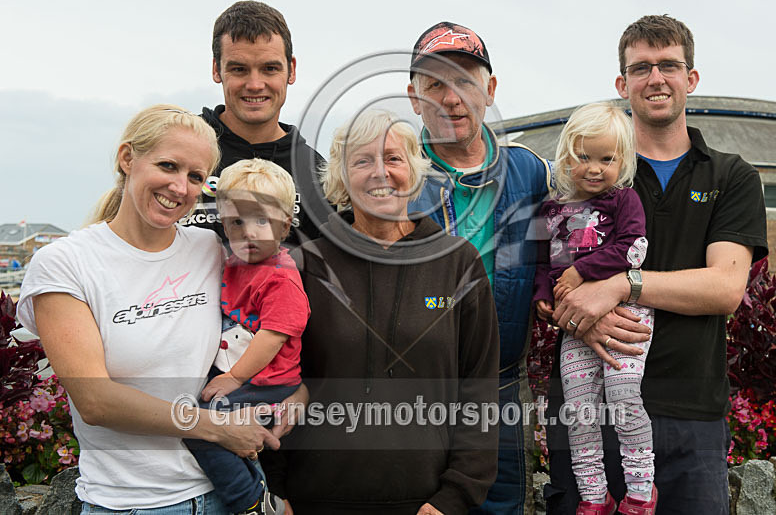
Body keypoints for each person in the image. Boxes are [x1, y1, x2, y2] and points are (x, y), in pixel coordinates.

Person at [406, 22, 651, 515]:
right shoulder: (396, 173)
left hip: (500, 380)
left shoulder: (530, 171)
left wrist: (589, 308)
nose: (452, 97)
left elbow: (567, 256)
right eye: (435, 83)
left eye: (467, 81)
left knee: (501, 504)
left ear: (490, 90)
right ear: (413, 97)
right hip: (415, 385)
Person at [545, 15, 768, 514]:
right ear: (622, 84)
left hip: (692, 416)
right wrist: (579, 313)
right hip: (591, 409)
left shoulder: (731, 176)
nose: (656, 77)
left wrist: (622, 285)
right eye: (641, 67)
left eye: (669, 64)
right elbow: (548, 282)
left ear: (691, 78)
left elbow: (725, 287)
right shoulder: (587, 175)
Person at [16, 105, 288, 513]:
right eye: (168, 166)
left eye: (196, 176)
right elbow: (95, 400)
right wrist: (217, 429)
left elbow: (271, 323)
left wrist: (294, 391)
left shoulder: (210, 249)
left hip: (229, 493)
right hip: (133, 503)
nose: (180, 187)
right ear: (128, 158)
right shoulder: (65, 263)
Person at [269, 109, 499, 514]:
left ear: (414, 169)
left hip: (427, 504)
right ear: (341, 177)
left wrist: (455, 496)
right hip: (313, 501)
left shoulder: (457, 262)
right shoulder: (304, 266)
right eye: (362, 160)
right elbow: (274, 381)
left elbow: (479, 388)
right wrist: (275, 488)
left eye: (393, 158)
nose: (380, 172)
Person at [533, 103, 655, 514]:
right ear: (567, 154)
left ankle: (640, 491)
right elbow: (539, 261)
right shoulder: (549, 211)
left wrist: (581, 271)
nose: (595, 167)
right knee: (580, 411)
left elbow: (632, 248)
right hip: (574, 327)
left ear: (622, 160)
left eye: (607, 158)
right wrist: (542, 296)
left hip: (624, 317)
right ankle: (593, 496)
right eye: (584, 156)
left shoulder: (624, 201)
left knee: (623, 397)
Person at [185, 159, 310, 515]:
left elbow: (271, 337)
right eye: (236, 222)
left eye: (261, 221)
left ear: (285, 225)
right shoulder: (235, 265)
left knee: (200, 426)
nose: (248, 233)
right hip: (244, 376)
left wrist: (233, 377)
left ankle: (251, 501)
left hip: (268, 383)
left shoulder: (280, 278)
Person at [183, 0, 324, 246]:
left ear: (291, 70)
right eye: (239, 69)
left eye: (269, 68)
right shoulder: (179, 148)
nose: (255, 84)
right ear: (217, 69)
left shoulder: (317, 175)